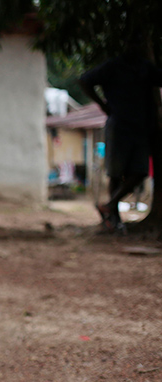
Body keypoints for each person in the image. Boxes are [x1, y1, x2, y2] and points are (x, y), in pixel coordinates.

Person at [79, 32, 162, 233]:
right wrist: (102, 105)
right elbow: (85, 81)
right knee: (115, 173)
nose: (135, 47)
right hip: (119, 126)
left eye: (138, 43)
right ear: (125, 44)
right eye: (132, 42)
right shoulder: (113, 66)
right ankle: (113, 218)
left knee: (140, 172)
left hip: (140, 127)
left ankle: (109, 204)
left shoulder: (145, 67)